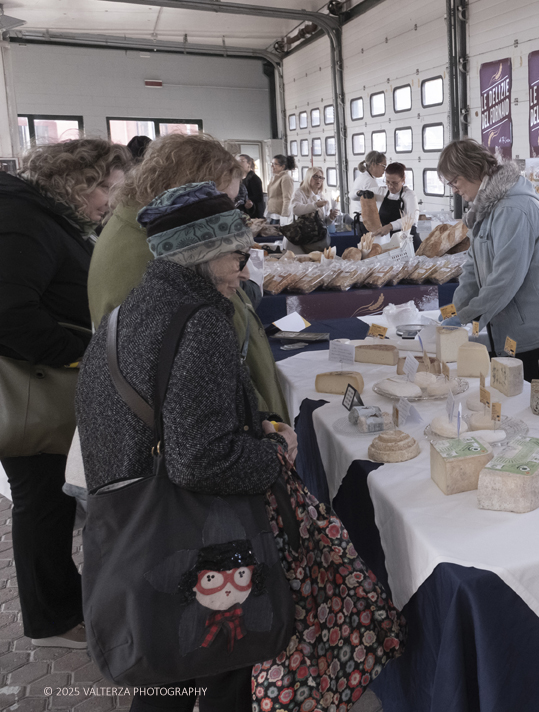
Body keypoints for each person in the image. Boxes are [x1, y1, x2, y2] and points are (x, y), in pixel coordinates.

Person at [76, 183, 404, 711]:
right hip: (191, 535)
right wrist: (271, 452)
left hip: (132, 522)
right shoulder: (199, 323)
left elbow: (157, 418)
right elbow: (200, 459)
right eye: (237, 255)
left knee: (168, 670)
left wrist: (254, 427)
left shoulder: (130, 310)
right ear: (203, 255)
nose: (245, 269)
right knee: (221, 662)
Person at [0, 138, 132, 649]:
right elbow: (9, 312)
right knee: (41, 503)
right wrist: (80, 354)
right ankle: (52, 620)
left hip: (46, 384)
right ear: (83, 183)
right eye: (108, 191)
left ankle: (59, 605)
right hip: (34, 390)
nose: (110, 204)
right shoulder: (22, 217)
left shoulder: (40, 213)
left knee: (50, 502)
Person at [88, 133, 290, 423]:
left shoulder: (149, 234)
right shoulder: (149, 254)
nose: (229, 217)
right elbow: (188, 379)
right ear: (188, 192)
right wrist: (260, 427)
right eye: (225, 203)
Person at [440, 140, 539, 395]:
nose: (455, 189)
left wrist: (465, 317)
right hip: (516, 326)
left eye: (454, 181)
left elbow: (506, 278)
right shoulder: (484, 208)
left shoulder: (512, 208)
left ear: (471, 170)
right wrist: (456, 308)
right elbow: (472, 267)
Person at [284, 168, 335, 254]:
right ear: (308, 177)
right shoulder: (299, 192)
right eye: (315, 177)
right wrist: (315, 205)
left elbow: (322, 222)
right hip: (298, 239)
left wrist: (330, 218)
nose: (318, 180)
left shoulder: (322, 197)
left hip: (314, 241)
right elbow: (295, 209)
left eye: (321, 177)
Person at [374, 162, 421, 248]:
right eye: (387, 182)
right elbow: (353, 194)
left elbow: (412, 218)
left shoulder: (409, 195)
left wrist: (390, 226)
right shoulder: (382, 192)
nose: (390, 186)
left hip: (409, 243)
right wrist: (361, 193)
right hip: (390, 244)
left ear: (403, 180)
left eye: (395, 183)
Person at [350, 151, 387, 235]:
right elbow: (377, 204)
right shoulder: (369, 181)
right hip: (367, 223)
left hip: (360, 222)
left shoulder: (362, 176)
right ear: (374, 164)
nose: (384, 169)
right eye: (383, 166)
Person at [265, 154, 296, 223]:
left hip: (279, 215)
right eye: (272, 163)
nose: (272, 166)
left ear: (282, 166)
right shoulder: (275, 177)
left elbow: (287, 198)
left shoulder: (286, 178)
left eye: (274, 164)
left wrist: (284, 216)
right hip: (273, 213)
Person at [238, 154, 266, 219]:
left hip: (254, 213)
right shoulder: (241, 178)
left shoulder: (254, 179)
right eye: (237, 161)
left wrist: (245, 200)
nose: (239, 164)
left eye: (241, 161)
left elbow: (258, 197)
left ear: (249, 163)